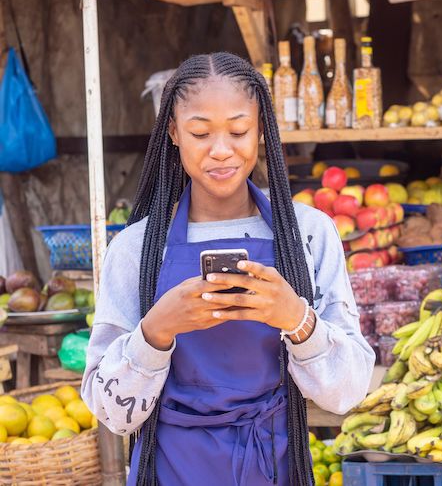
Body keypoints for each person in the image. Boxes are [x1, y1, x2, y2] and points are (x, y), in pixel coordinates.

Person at [82, 52, 375, 486]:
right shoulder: (137, 249)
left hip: (276, 467)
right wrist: (156, 332)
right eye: (200, 132)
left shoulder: (309, 235)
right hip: (171, 471)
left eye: (239, 130)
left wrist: (298, 320)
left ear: (261, 130)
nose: (221, 151)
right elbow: (110, 413)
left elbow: (347, 393)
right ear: (174, 133)